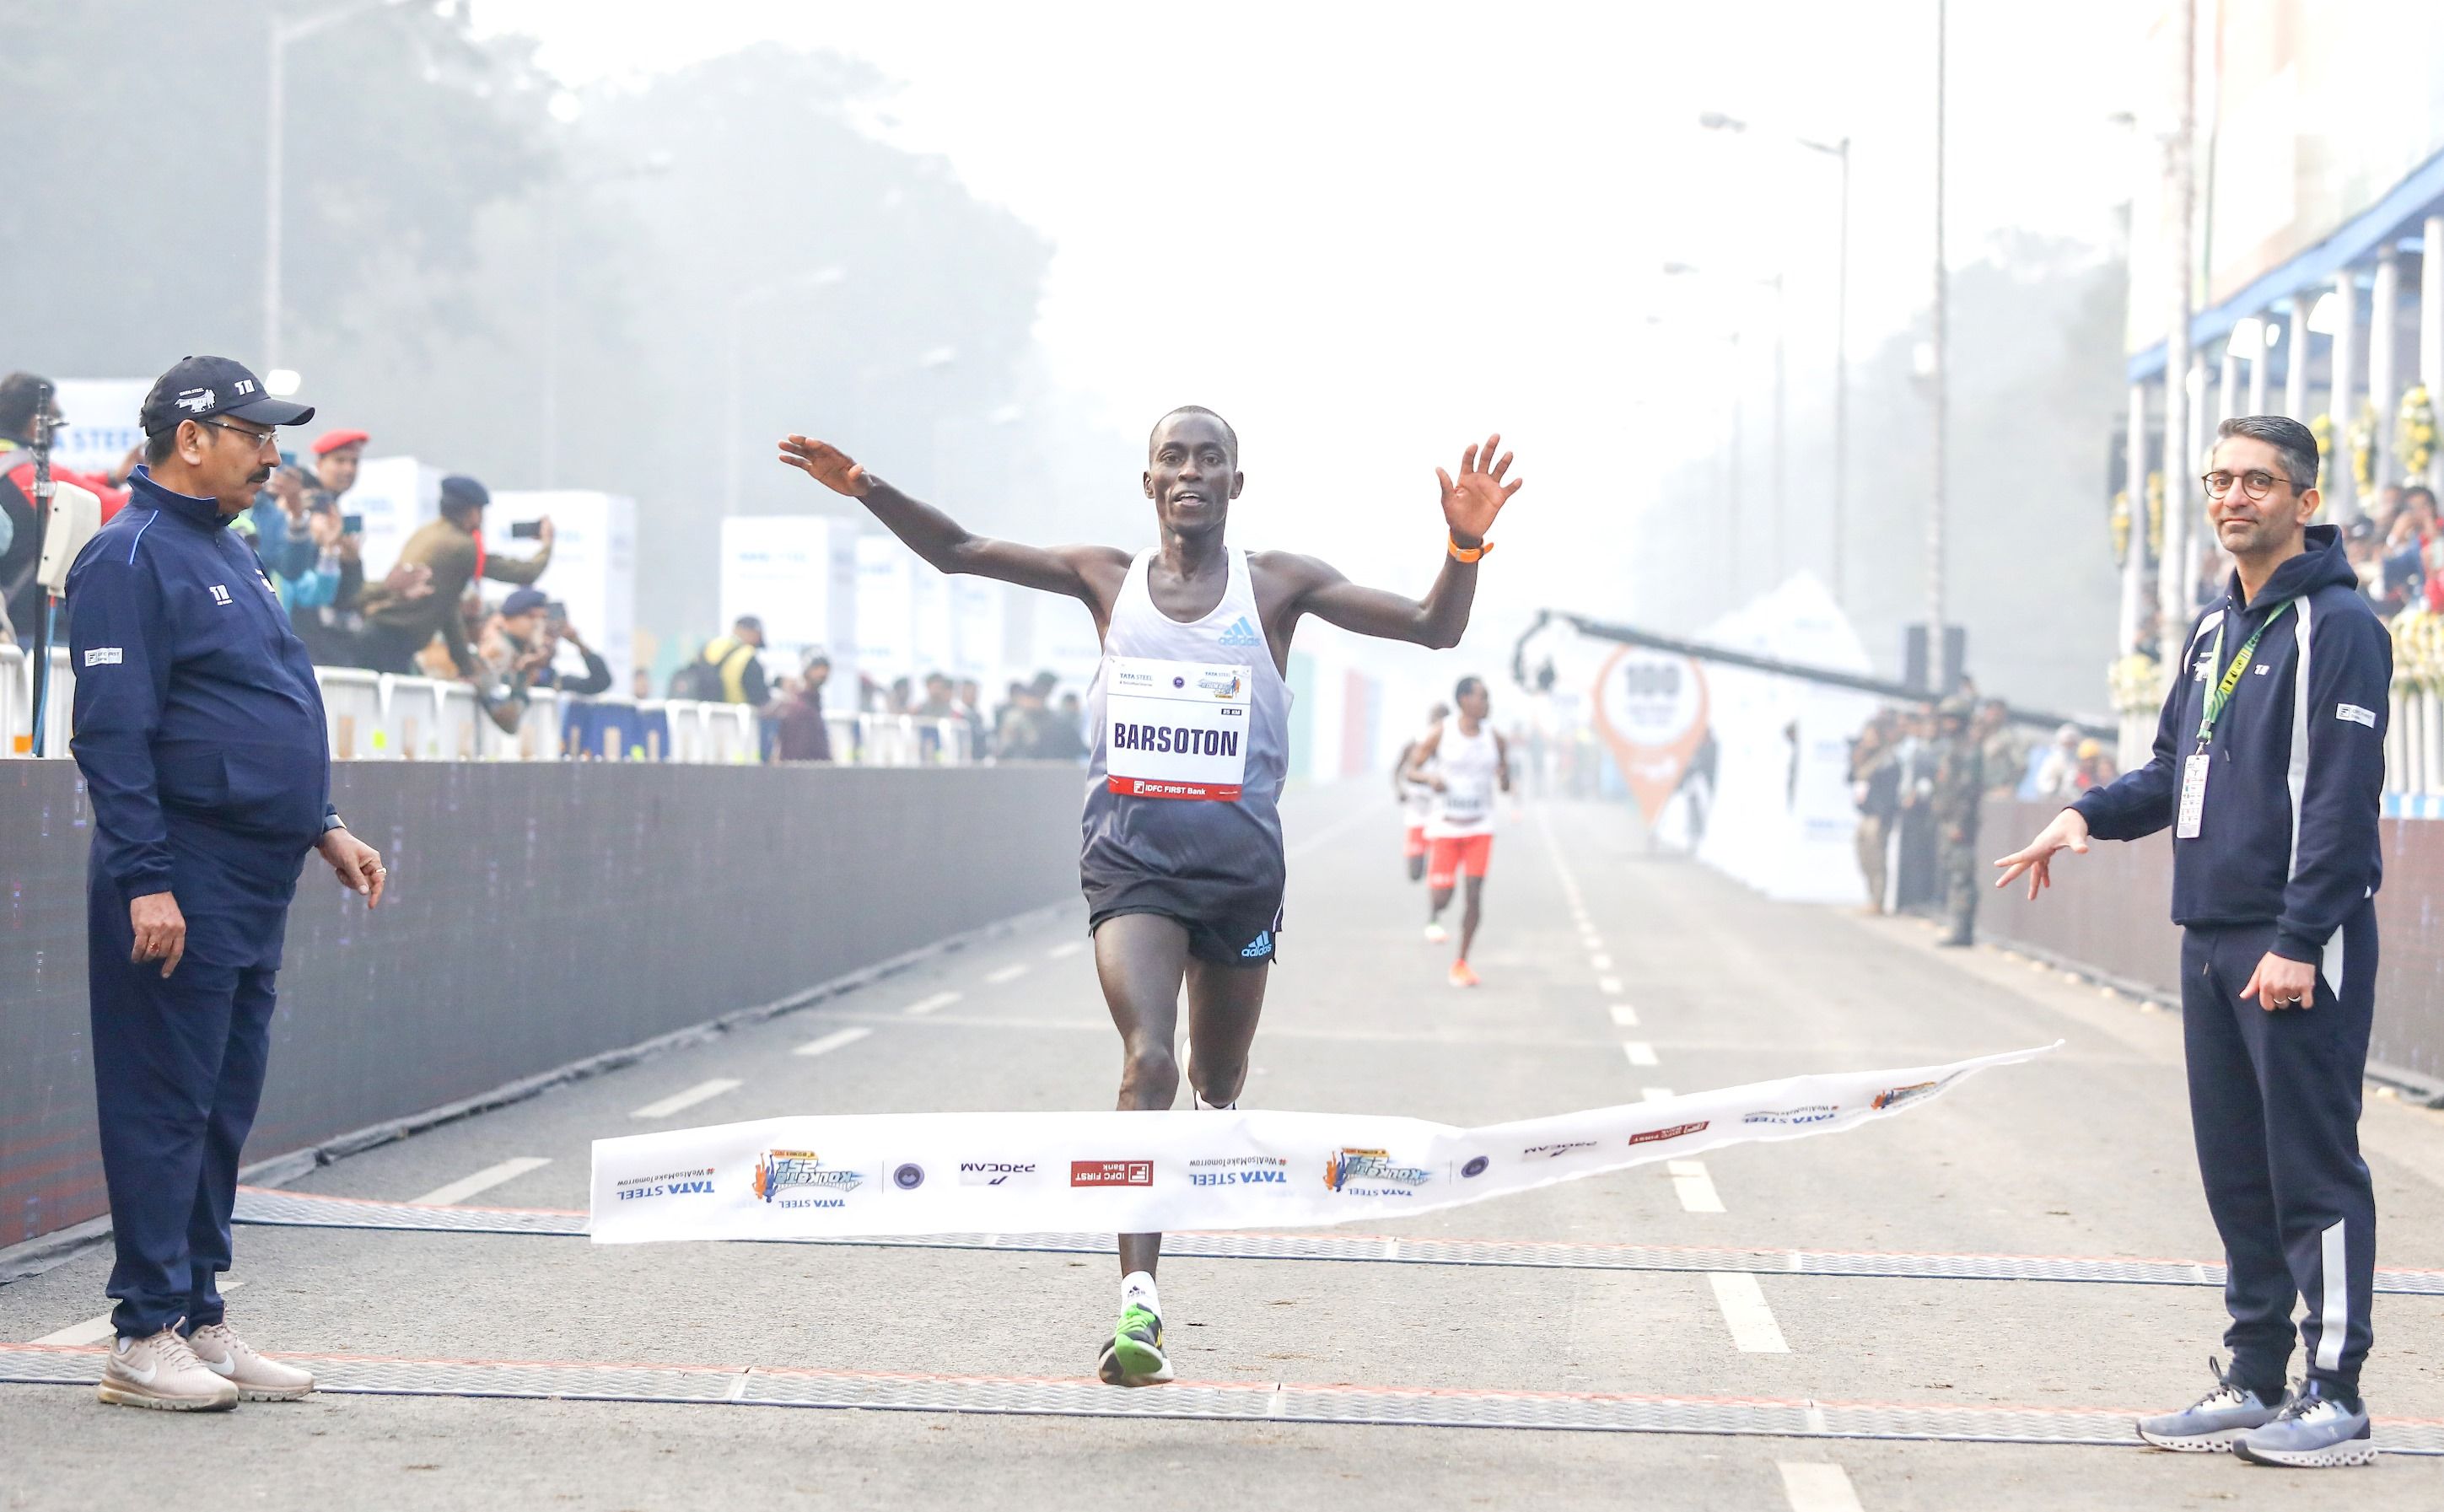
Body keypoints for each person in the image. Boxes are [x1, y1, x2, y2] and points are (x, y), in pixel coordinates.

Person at [779, 409, 1521, 1387]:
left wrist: (1464, 543)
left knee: (1218, 1076)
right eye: (1174, 457)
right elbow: (959, 552)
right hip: (1131, 867)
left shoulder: (1279, 586)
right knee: (1149, 1060)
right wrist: (867, 483)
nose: (1191, 473)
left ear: (1235, 485)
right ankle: (1139, 1297)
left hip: (1241, 876)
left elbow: (1437, 627)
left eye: (1210, 459)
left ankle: (1196, 1137)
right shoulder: (1104, 578)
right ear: (1149, 483)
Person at [1996, 416, 2390, 1469]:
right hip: (2211, 938)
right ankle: (2256, 1376)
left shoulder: (2338, 627)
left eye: (2259, 481)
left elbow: (2342, 803)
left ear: (2304, 502)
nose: (2234, 497)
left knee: (2312, 1168)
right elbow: (2174, 770)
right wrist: (2084, 814)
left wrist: (2302, 938)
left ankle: (2337, 1393)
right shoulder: (2217, 632)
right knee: (2239, 1174)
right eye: (2219, 479)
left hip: (2294, 939)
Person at [66, 357, 388, 1412]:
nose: (273, 450)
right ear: (192, 438)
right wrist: (146, 881)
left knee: (219, 1103)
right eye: (254, 431)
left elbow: (266, 697)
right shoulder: (131, 551)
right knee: (164, 1099)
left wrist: (323, 822)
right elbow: (114, 734)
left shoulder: (231, 550)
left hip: (255, 871)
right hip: (181, 869)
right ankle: (143, 1328)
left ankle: (199, 1313)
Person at [355, 475, 552, 676]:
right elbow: (526, 573)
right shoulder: (462, 546)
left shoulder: (427, 533)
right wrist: (547, 544)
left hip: (381, 636)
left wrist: (465, 666)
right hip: (391, 643)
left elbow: (448, 609)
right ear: (473, 513)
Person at [1, 372, 137, 641]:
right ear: (35, 424)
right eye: (55, 417)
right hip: (31, 630)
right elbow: (112, 508)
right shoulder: (35, 475)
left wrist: (112, 478)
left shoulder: (11, 468)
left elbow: (73, 489)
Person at [1407, 677, 1509, 985]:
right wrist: (1430, 780)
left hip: (1480, 826)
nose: (1488, 704)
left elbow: (1505, 774)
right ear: (1464, 700)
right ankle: (1435, 911)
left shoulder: (1496, 738)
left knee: (1475, 895)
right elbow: (1412, 770)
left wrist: (1505, 780)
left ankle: (1462, 961)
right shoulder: (1442, 733)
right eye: (1483, 697)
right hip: (1447, 826)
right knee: (1443, 897)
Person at [1928, 698, 1985, 947]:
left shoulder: (1969, 750)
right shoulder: (1951, 748)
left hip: (1960, 824)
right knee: (1954, 874)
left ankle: (1962, 930)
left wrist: (1959, 824)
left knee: (1962, 875)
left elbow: (1968, 792)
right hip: (1947, 820)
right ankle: (1957, 926)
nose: (1947, 724)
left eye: (1952, 719)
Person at [1849, 709, 1901, 914]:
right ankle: (1871, 897)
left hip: (1879, 816)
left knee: (1877, 858)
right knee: (1863, 857)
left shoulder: (1886, 760)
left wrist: (1882, 814)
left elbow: (1889, 790)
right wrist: (1856, 760)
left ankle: (1878, 901)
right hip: (1865, 815)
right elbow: (1851, 780)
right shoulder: (1864, 758)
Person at [1393, 702, 1450, 882]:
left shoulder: (1452, 748)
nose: (1437, 724)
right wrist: (1400, 790)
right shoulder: (1414, 745)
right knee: (1415, 873)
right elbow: (1398, 771)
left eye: (1442, 720)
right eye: (1434, 720)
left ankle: (1436, 887)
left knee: (1439, 874)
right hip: (1417, 810)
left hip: (1441, 812)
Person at [683, 616, 770, 705]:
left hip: (701, 713)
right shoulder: (747, 657)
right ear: (754, 633)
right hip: (736, 715)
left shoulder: (710, 646)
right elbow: (760, 698)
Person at [773, 653, 835, 761]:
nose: (822, 673)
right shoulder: (798, 707)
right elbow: (794, 751)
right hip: (801, 772)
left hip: (816, 771)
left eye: (825, 669)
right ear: (806, 671)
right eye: (817, 668)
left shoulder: (813, 704)